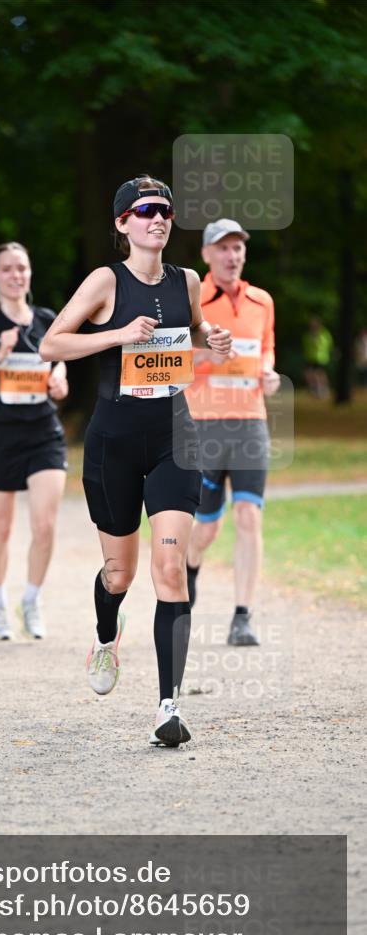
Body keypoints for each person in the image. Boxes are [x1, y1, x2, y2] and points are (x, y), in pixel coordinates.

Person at [40, 177, 232, 747]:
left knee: (170, 569)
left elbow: (190, 338)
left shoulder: (187, 281)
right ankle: (106, 633)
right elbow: (53, 344)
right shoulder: (105, 280)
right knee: (119, 574)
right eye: (147, 210)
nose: (160, 219)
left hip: (175, 433)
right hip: (114, 440)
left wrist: (212, 344)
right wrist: (118, 334)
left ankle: (167, 707)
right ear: (123, 222)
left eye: (167, 211)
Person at [0, 242, 69, 640]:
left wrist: (60, 380)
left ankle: (32, 600)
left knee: (44, 524)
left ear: (29, 273)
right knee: (2, 527)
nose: (15, 275)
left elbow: (60, 367)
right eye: (7, 269)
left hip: (43, 435)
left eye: (21, 267)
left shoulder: (47, 320)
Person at [184, 219, 281, 646]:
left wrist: (270, 374)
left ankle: (242, 616)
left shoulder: (262, 301)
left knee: (248, 515)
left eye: (238, 247)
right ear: (207, 254)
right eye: (222, 247)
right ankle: (188, 572)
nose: (232, 255)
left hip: (250, 425)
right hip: (202, 427)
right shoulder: (191, 301)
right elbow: (169, 359)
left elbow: (266, 350)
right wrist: (209, 359)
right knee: (205, 528)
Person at [303, 315, 333, 399]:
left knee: (320, 374)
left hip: (321, 358)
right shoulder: (309, 334)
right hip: (311, 357)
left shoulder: (323, 334)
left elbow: (328, 344)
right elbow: (306, 345)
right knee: (309, 374)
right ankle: (315, 389)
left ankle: (323, 390)